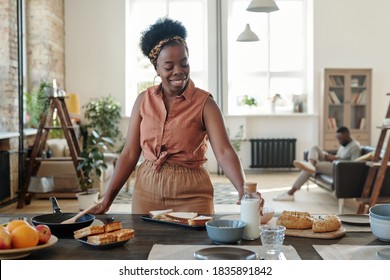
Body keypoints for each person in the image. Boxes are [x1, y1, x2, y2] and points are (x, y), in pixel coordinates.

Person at [90, 17, 263, 214]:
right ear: (156, 68)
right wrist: (107, 201)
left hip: (192, 194)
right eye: (169, 66)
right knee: (144, 244)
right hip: (147, 192)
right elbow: (129, 154)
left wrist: (244, 191)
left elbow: (224, 152)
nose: (178, 72)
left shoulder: (206, 104)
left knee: (194, 245)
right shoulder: (143, 101)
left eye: (184, 63)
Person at [273, 126, 361, 201]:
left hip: (338, 168)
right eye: (338, 139)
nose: (339, 142)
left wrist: (336, 160)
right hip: (334, 162)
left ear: (347, 135)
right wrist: (332, 157)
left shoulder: (355, 147)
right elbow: (340, 156)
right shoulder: (344, 144)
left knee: (312, 168)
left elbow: (354, 165)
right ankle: (310, 163)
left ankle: (290, 193)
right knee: (315, 147)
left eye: (341, 139)